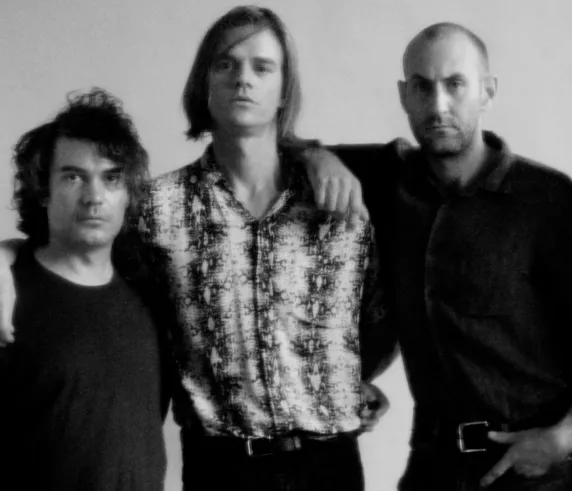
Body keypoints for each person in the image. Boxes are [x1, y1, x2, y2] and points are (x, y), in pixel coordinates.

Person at [0, 6, 393, 491]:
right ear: (203, 83)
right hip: (220, 468)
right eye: (225, 64)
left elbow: (385, 310)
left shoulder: (341, 197)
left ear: (284, 89)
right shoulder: (155, 210)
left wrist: (352, 376)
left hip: (331, 465)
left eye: (262, 67)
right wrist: (7, 253)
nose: (243, 79)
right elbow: (80, 259)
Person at [309, 23, 572, 490]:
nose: (438, 105)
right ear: (404, 96)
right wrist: (317, 158)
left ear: (488, 91)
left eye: (455, 84)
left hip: (530, 471)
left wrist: (565, 437)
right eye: (422, 86)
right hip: (431, 466)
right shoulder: (389, 181)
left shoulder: (548, 200)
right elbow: (278, 146)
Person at [0, 89, 169, 491]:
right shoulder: (6, 298)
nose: (94, 197)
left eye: (111, 178)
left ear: (128, 194)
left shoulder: (151, 293)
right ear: (43, 191)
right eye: (73, 177)